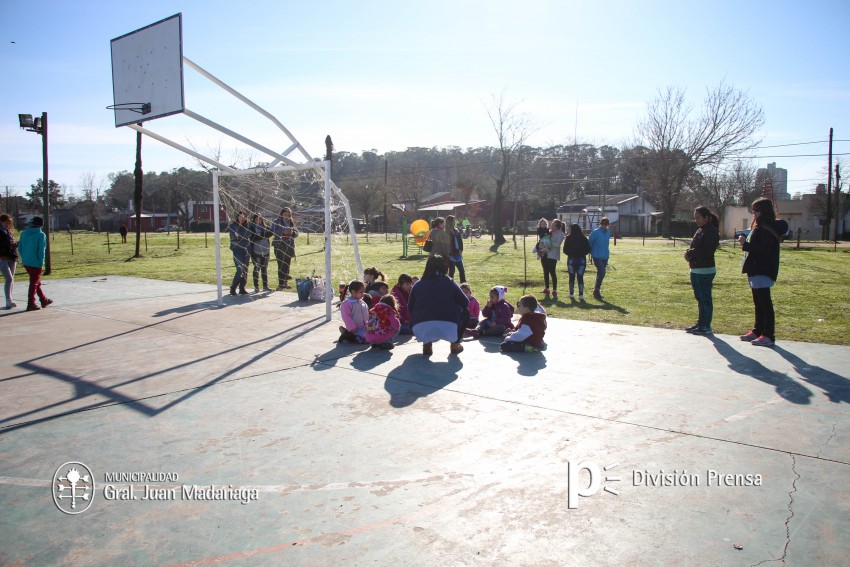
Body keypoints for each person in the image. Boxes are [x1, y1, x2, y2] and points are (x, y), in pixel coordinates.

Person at [739, 198, 789, 347]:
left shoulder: (766, 227)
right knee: (758, 302)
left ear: (763, 211)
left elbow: (765, 250)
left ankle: (768, 334)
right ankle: (758, 330)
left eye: (756, 210)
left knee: (764, 302)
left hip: (763, 268)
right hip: (755, 268)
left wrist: (745, 245)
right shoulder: (760, 226)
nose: (753, 213)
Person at [408, 254, 470, 355]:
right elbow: (465, 302)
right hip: (448, 325)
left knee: (423, 315)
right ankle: (455, 344)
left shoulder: (418, 284)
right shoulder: (450, 282)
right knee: (466, 312)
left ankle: (427, 343)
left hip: (421, 326)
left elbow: (410, 307)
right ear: (444, 267)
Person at [684, 206, 720, 335]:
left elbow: (707, 250)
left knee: (705, 299)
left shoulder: (711, 231)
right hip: (696, 269)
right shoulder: (701, 230)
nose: (696, 220)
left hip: (705, 270)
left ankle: (706, 326)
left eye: (698, 218)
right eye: (695, 218)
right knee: (699, 298)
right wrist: (689, 254)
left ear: (706, 218)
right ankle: (700, 323)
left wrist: (690, 253)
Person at [17, 216, 53, 311]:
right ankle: (31, 303)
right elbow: (41, 250)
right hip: (35, 262)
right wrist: (41, 262)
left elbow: (20, 247)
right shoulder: (41, 235)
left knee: (36, 282)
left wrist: (24, 257)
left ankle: (43, 299)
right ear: (41, 225)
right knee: (34, 283)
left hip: (26, 261)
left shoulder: (24, 233)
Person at [270, 207, 298, 290]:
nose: (286, 215)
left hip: (289, 246)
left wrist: (292, 233)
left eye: (288, 214)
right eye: (285, 213)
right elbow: (272, 231)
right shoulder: (276, 221)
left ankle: (285, 283)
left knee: (287, 265)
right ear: (281, 214)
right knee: (281, 265)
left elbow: (297, 232)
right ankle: (280, 284)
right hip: (279, 245)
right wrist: (283, 232)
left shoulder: (291, 222)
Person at [564, 223, 591, 301]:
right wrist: (582, 253)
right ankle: (581, 295)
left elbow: (565, 250)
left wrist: (570, 253)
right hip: (581, 259)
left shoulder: (568, 238)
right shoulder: (584, 238)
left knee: (571, 277)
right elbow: (588, 249)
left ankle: (571, 294)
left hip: (571, 259)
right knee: (580, 277)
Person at [227, 211, 251, 296]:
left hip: (246, 249)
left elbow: (248, 235)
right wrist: (242, 236)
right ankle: (233, 288)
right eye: (240, 216)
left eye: (244, 217)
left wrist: (241, 236)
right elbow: (234, 236)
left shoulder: (248, 226)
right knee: (240, 268)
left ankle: (242, 288)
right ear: (237, 217)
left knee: (245, 269)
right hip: (237, 249)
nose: (242, 218)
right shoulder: (232, 226)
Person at [588, 217, 611, 300]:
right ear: (600, 223)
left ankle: (596, 290)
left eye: (606, 223)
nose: (604, 225)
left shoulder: (608, 232)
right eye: (603, 223)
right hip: (596, 255)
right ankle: (597, 290)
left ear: (608, 224)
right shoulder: (595, 232)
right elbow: (590, 243)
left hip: (605, 255)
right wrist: (590, 253)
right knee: (602, 271)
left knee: (600, 273)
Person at [249, 213, 273, 292]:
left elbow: (271, 233)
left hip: (266, 251)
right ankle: (256, 286)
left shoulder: (265, 227)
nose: (258, 221)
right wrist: (263, 235)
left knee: (264, 269)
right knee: (256, 268)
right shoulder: (252, 228)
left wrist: (261, 234)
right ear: (254, 220)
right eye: (257, 219)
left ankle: (265, 285)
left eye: (260, 219)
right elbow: (254, 237)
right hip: (256, 252)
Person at [542, 220, 565, 299]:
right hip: (545, 254)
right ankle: (547, 288)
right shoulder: (549, 232)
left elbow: (558, 244)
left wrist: (548, 242)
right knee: (545, 271)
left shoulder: (561, 234)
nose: (551, 226)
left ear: (557, 227)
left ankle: (554, 290)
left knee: (552, 271)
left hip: (553, 255)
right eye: (551, 225)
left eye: (553, 225)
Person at [0, 214, 18, 309]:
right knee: (9, 278)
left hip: (11, 256)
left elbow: (11, 243)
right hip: (2, 257)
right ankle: (8, 301)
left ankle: (10, 300)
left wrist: (14, 244)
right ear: (1, 222)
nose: (8, 224)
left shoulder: (9, 232)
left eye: (9, 223)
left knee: (11, 279)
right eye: (6, 222)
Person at [446, 215, 466, 282]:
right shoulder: (446, 231)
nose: (454, 222)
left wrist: (461, 250)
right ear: (450, 221)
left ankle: (464, 285)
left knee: (462, 270)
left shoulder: (456, 230)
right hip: (451, 254)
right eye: (453, 221)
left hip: (458, 254)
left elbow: (460, 241)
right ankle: (450, 285)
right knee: (452, 272)